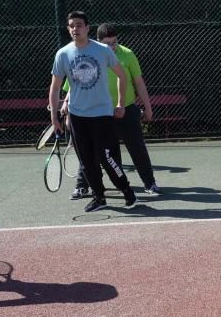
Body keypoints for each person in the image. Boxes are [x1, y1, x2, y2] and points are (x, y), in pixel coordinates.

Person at [48, 11, 137, 213]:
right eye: (71, 25)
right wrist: (54, 118)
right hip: (77, 116)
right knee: (87, 162)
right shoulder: (63, 54)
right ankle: (99, 197)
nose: (75, 29)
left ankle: (127, 190)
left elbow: (122, 76)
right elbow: (55, 88)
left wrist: (121, 104)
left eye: (79, 25)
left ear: (87, 29)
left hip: (102, 115)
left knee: (106, 157)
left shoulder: (103, 50)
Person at [69, 24, 161, 199]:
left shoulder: (127, 54)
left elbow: (139, 82)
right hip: (98, 113)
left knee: (137, 149)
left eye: (114, 42)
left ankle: (150, 183)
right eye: (107, 43)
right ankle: (83, 186)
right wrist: (67, 103)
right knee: (91, 151)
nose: (112, 46)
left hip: (126, 110)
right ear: (98, 41)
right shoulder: (89, 55)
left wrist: (148, 107)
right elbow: (75, 84)